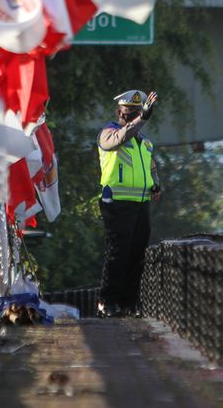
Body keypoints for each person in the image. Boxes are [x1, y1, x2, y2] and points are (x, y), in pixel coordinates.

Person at [96, 89, 160, 318]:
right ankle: (107, 302)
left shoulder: (144, 143)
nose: (131, 115)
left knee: (136, 256)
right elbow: (119, 139)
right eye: (128, 111)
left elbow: (150, 166)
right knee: (118, 254)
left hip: (141, 205)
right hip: (117, 204)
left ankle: (128, 303)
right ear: (118, 111)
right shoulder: (109, 133)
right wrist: (142, 119)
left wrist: (155, 183)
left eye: (136, 111)